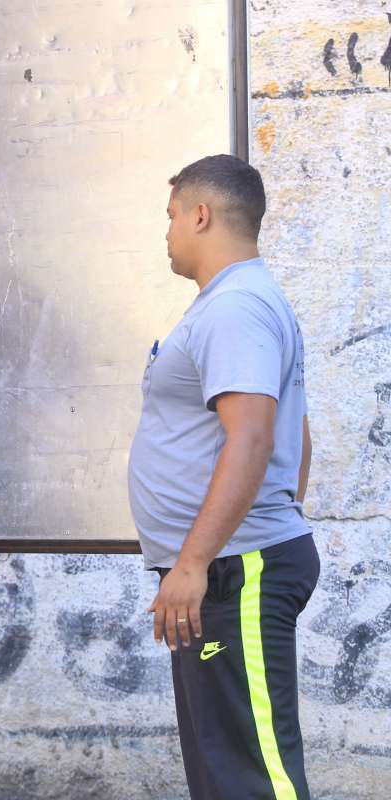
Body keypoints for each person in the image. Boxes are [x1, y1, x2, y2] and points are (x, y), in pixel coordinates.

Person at [128, 154, 318, 799]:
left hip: (234, 569)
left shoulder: (235, 307)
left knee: (251, 775)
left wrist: (196, 560)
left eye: (173, 215)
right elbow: (295, 434)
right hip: (230, 565)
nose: (168, 232)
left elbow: (256, 438)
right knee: (223, 767)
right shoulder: (237, 304)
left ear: (201, 214)